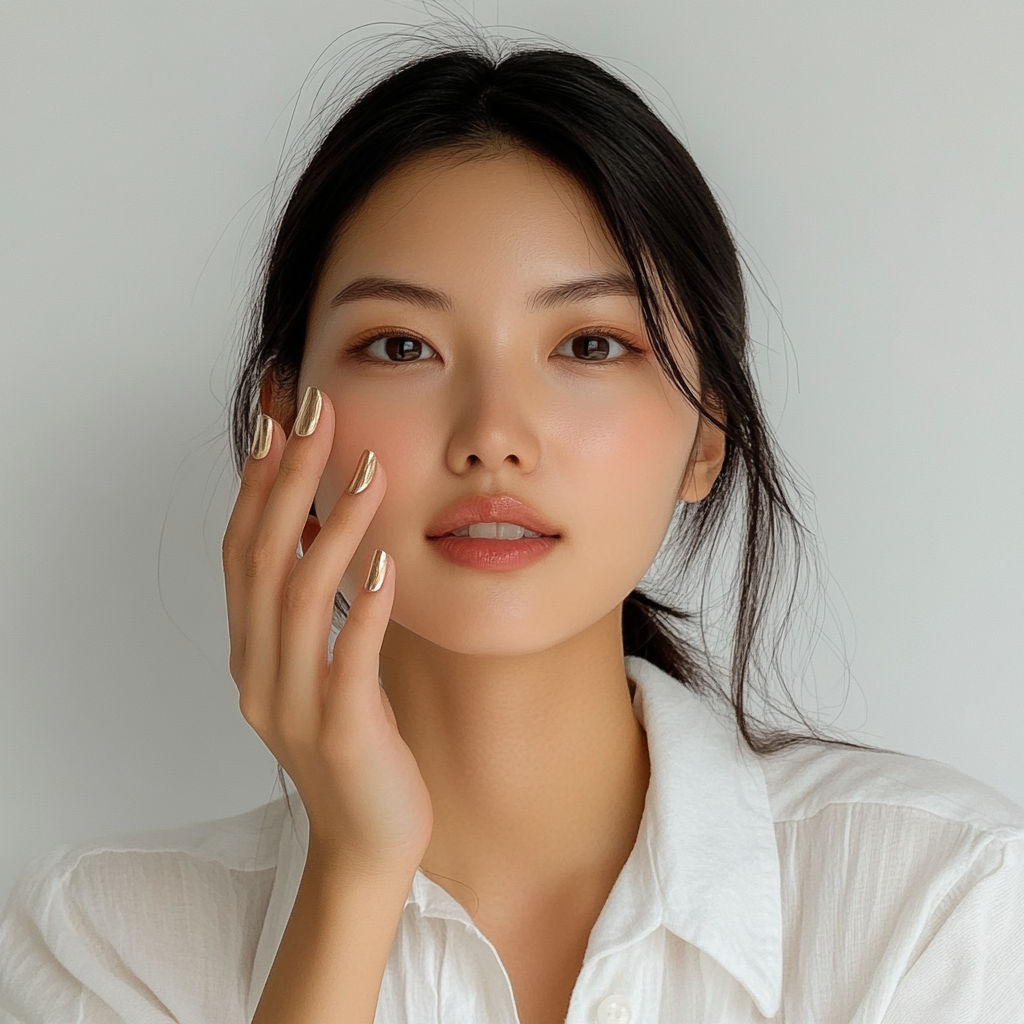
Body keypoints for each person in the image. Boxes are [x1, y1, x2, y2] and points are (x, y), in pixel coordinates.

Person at [1, 39, 1022, 1024]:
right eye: (402, 345)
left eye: (588, 343)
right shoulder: (102, 939)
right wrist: (354, 877)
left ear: (707, 432)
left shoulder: (934, 900)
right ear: (285, 426)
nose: (493, 436)